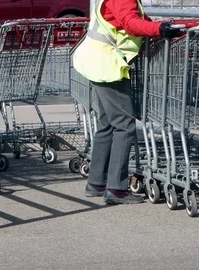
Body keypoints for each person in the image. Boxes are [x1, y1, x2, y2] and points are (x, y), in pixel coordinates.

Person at [72, 0, 183, 204]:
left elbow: (138, 20)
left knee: (107, 123)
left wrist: (159, 26)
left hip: (100, 61)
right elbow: (130, 23)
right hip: (106, 63)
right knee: (124, 125)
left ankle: (97, 182)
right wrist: (159, 28)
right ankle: (116, 188)